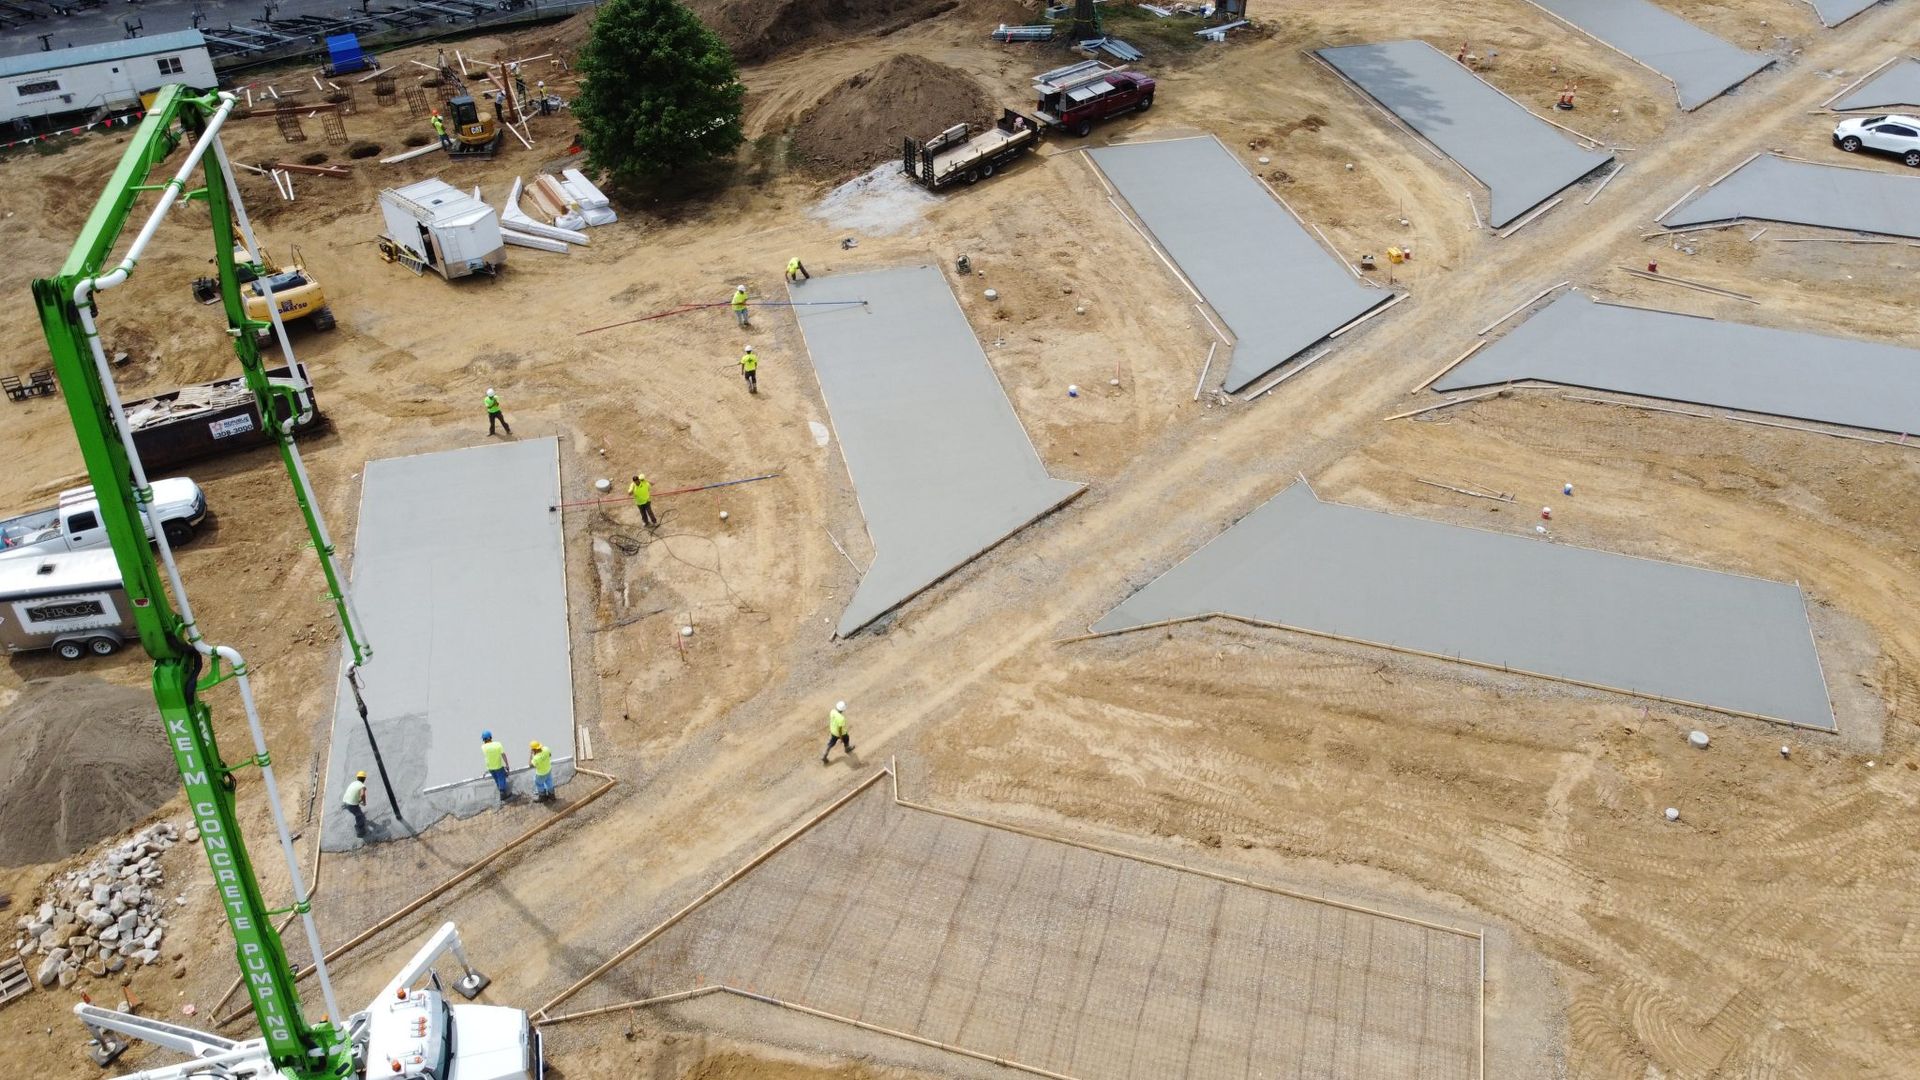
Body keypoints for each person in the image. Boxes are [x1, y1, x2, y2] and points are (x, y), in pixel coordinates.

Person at [481, 730, 511, 800]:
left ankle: (501, 792)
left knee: (497, 779)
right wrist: (507, 764)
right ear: (490, 737)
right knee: (501, 778)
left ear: (484, 739)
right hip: (498, 766)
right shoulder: (498, 744)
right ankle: (503, 795)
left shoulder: (483, 747)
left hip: (490, 767)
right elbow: (503, 755)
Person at [342, 770, 369, 836]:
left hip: (345, 800)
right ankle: (359, 830)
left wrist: (358, 800)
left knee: (354, 806)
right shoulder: (362, 786)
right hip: (351, 805)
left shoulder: (353, 783)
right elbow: (362, 795)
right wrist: (364, 802)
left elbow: (353, 793)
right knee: (360, 816)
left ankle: (345, 806)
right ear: (364, 779)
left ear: (357, 778)